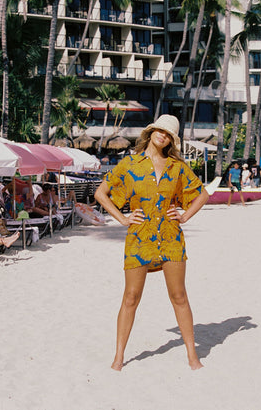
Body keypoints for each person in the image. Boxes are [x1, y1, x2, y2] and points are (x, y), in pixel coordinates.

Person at [95, 114, 212, 371]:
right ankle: (119, 357)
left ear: (172, 140)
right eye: (161, 130)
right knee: (131, 297)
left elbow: (202, 194)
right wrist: (123, 219)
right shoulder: (130, 164)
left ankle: (192, 356)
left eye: (169, 134)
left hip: (171, 237)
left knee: (179, 295)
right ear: (151, 132)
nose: (164, 135)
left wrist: (184, 216)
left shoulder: (177, 167)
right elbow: (101, 193)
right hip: (139, 238)